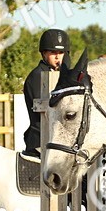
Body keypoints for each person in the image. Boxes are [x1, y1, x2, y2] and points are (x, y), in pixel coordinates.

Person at [21, 28, 68, 160]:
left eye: (61, 53)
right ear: (44, 53)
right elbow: (45, 110)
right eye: (53, 52)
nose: (57, 57)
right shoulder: (38, 76)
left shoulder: (61, 75)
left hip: (56, 138)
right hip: (40, 140)